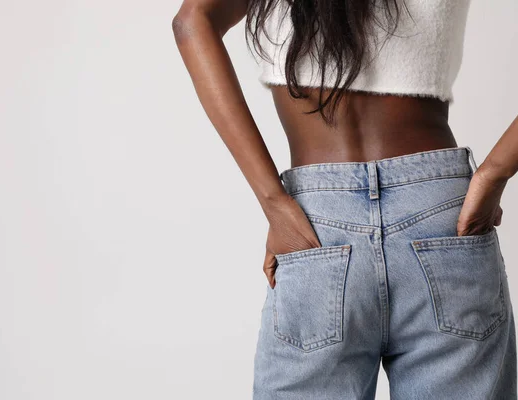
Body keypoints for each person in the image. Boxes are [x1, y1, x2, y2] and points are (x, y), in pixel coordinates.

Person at [172, 0, 518, 398]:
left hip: (316, 221)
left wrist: (274, 201)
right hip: (442, 215)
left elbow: (191, 21)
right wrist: (495, 171)